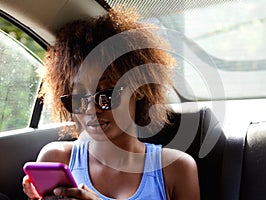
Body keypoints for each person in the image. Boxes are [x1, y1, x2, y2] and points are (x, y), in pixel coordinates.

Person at [22, 7, 200, 200]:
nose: (91, 109)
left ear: (138, 88)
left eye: (106, 94)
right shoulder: (55, 159)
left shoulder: (175, 169)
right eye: (79, 98)